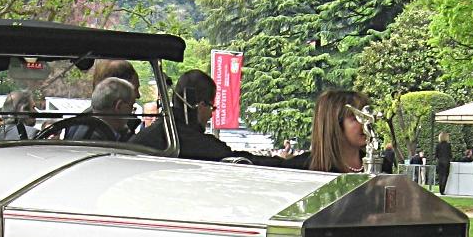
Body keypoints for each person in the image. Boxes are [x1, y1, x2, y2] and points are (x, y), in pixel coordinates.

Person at [130, 70, 282, 165]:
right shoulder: (194, 142)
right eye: (211, 107)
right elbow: (240, 161)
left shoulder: (147, 136)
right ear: (201, 105)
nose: (211, 114)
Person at [280, 89, 369, 173]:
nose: (367, 123)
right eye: (357, 118)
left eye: (368, 117)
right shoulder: (303, 168)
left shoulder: (380, 165)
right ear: (334, 123)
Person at [63, 77, 137, 141]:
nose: (132, 112)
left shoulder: (75, 126)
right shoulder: (100, 141)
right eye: (131, 107)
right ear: (119, 106)